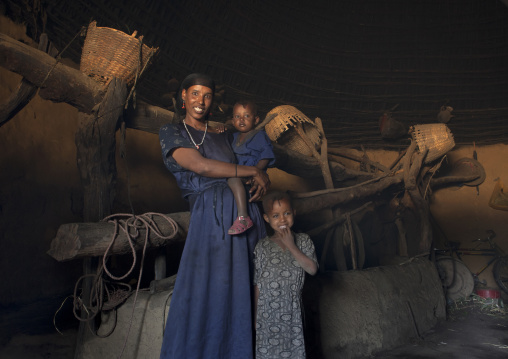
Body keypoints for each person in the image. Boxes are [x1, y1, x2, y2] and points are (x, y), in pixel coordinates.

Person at [158, 73, 270, 359]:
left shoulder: (222, 134)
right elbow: (202, 167)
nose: (201, 101)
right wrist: (252, 172)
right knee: (213, 289)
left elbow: (245, 159)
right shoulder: (172, 132)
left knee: (246, 290)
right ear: (183, 96)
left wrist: (260, 174)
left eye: (207, 95)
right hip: (213, 218)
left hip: (246, 216)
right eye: (195, 93)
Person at [254, 191, 318, 359]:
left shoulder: (303, 240)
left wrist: (291, 245)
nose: (282, 219)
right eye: (275, 215)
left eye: (286, 213)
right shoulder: (262, 246)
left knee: (294, 352)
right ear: (267, 219)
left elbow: (312, 269)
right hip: (266, 313)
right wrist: (255, 316)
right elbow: (257, 284)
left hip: (292, 310)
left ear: (294, 213)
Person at [227, 100, 276, 235]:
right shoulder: (233, 137)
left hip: (249, 176)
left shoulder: (259, 135)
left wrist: (256, 173)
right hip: (237, 173)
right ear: (232, 121)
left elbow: (265, 155)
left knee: (233, 179)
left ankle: (243, 217)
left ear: (256, 119)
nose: (241, 119)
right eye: (237, 116)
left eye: (247, 116)